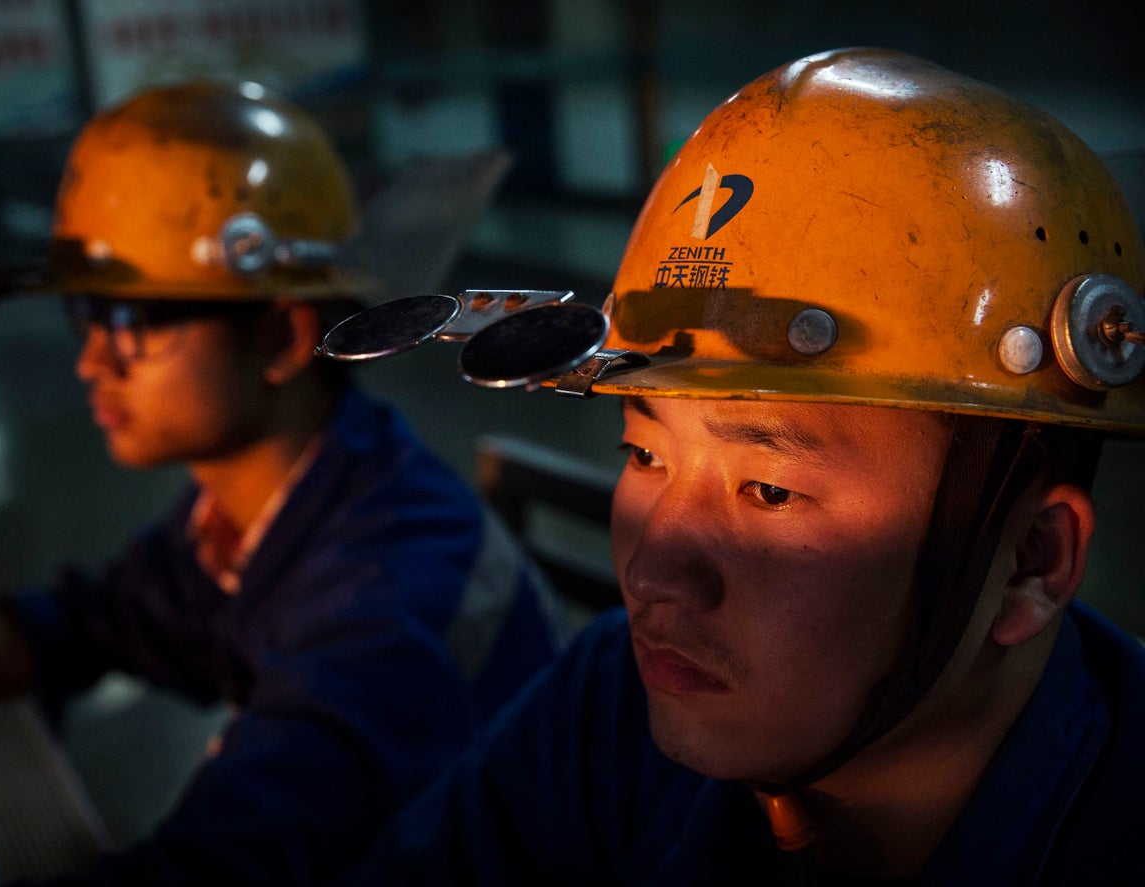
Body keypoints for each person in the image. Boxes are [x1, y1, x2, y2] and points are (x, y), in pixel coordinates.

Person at [327, 47, 1145, 884]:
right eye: (644, 453)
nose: (651, 572)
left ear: (1031, 562)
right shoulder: (608, 704)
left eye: (770, 490)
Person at [0, 81, 565, 885]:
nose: (92, 360)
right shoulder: (262, 509)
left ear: (279, 337)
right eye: (87, 316)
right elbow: (89, 622)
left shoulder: (383, 600)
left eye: (132, 321)